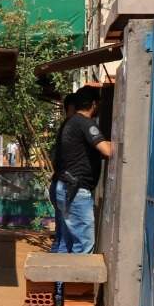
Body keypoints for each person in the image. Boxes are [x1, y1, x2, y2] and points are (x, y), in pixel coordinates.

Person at [52, 86, 113, 254]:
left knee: (67, 242)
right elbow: (107, 150)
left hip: (65, 187)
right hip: (76, 191)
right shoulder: (84, 123)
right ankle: (76, 281)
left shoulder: (70, 123)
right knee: (84, 245)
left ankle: (60, 281)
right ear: (94, 104)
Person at [50, 93, 80, 254]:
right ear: (72, 108)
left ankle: (53, 278)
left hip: (59, 185)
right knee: (65, 239)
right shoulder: (71, 128)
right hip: (65, 187)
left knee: (61, 235)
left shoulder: (66, 127)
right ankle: (59, 279)